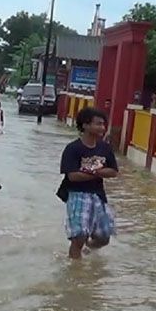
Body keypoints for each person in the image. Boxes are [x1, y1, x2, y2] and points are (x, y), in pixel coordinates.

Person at [59, 107, 118, 259]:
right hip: (77, 194)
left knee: (104, 237)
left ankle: (88, 249)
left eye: (103, 124)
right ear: (85, 125)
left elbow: (113, 171)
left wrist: (91, 172)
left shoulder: (105, 148)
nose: (102, 128)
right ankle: (75, 271)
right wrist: (97, 172)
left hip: (98, 195)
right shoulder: (73, 149)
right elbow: (72, 176)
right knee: (79, 237)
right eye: (98, 124)